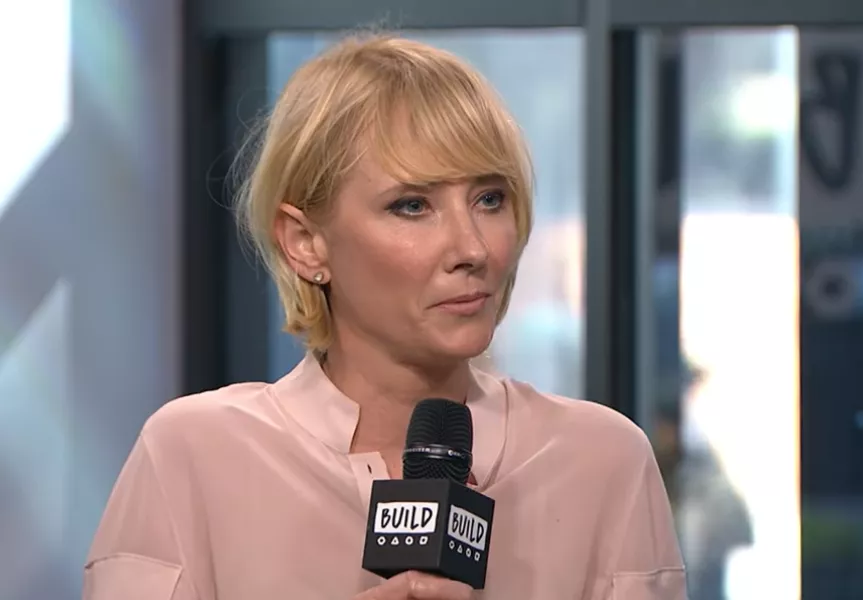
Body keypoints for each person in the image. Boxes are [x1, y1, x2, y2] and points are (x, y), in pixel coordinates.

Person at [82, 34, 687, 600]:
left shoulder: (602, 461)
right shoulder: (193, 455)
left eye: (489, 198)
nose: (473, 249)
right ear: (305, 243)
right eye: (413, 205)